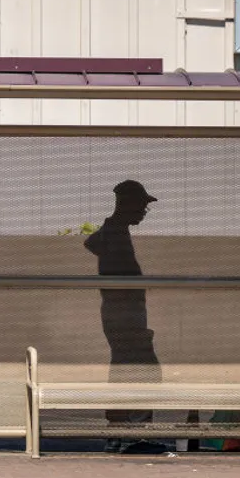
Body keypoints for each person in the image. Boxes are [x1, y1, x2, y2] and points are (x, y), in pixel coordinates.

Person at [84, 179, 162, 432]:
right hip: (125, 314)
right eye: (142, 206)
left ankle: (119, 427)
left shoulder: (113, 231)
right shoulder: (116, 234)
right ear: (127, 205)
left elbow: (91, 242)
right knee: (144, 370)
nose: (143, 212)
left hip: (122, 313)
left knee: (123, 367)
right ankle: (135, 430)